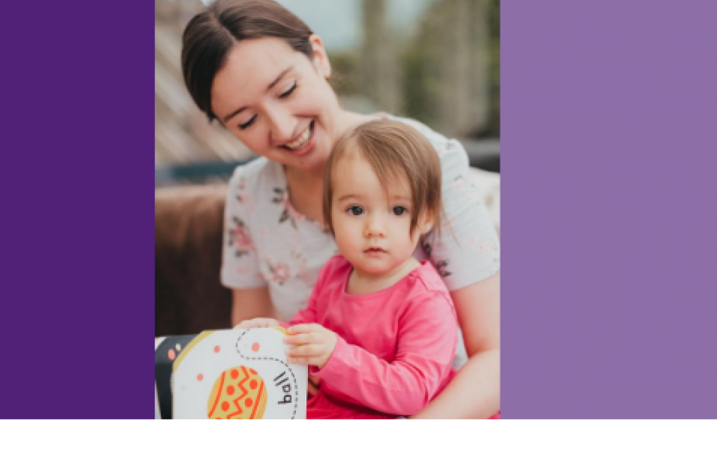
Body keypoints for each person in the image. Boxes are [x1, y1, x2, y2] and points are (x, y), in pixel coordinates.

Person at [181, 0, 500, 421]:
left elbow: (497, 358)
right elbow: (258, 350)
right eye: (245, 121)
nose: (282, 127)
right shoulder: (248, 193)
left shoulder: (430, 161)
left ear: (318, 55)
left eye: (287, 90)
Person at [237, 120, 459, 421]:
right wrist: (275, 336)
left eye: (398, 210)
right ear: (330, 216)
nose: (375, 229)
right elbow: (305, 329)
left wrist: (334, 357)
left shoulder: (425, 298)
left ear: (426, 217)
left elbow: (414, 392)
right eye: (356, 210)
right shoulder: (335, 272)